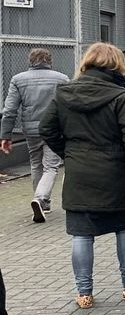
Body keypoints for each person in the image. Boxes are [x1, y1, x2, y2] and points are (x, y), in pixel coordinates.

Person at [40, 43, 125, 309]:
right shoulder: (121, 97)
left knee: (81, 233)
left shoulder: (63, 94)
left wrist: (69, 153)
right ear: (117, 64)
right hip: (115, 171)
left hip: (79, 171)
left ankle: (84, 293)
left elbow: (46, 128)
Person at [1, 48, 70, 223]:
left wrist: (5, 136)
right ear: (49, 61)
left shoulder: (18, 79)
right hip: (54, 129)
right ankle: (40, 198)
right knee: (51, 166)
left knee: (35, 163)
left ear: (30, 61)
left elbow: (9, 110)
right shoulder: (62, 79)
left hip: (31, 130)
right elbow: (68, 106)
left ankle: (43, 203)